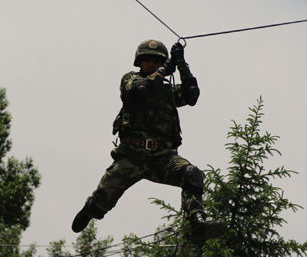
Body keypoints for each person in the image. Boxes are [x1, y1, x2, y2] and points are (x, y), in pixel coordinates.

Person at [71, 39, 224, 241]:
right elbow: (138, 91)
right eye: (147, 60)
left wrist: (181, 64)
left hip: (162, 158)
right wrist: (164, 70)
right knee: (103, 200)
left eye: (157, 61)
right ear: (139, 63)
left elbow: (191, 95)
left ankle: (197, 221)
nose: (152, 64)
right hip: (131, 157)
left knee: (192, 174)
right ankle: (90, 210)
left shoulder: (167, 90)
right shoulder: (130, 79)